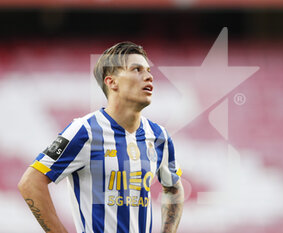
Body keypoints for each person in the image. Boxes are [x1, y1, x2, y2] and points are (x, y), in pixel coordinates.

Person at [18, 42, 184, 233]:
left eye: (147, 70)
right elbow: (30, 182)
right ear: (111, 82)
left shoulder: (158, 136)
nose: (149, 76)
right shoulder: (84, 130)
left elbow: (174, 188)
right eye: (136, 69)